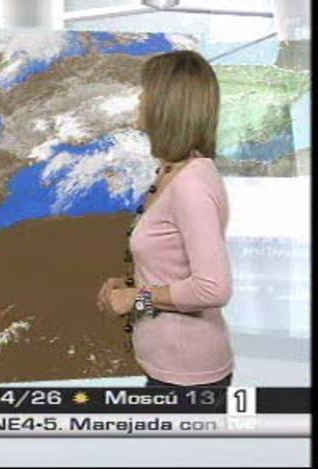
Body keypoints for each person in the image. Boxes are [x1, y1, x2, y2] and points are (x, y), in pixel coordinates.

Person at [97, 50, 234, 387]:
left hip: (187, 375)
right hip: (168, 367)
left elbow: (213, 288)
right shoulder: (172, 172)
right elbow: (173, 267)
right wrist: (132, 285)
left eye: (145, 92)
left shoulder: (191, 184)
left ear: (166, 105)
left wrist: (137, 297)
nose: (139, 100)